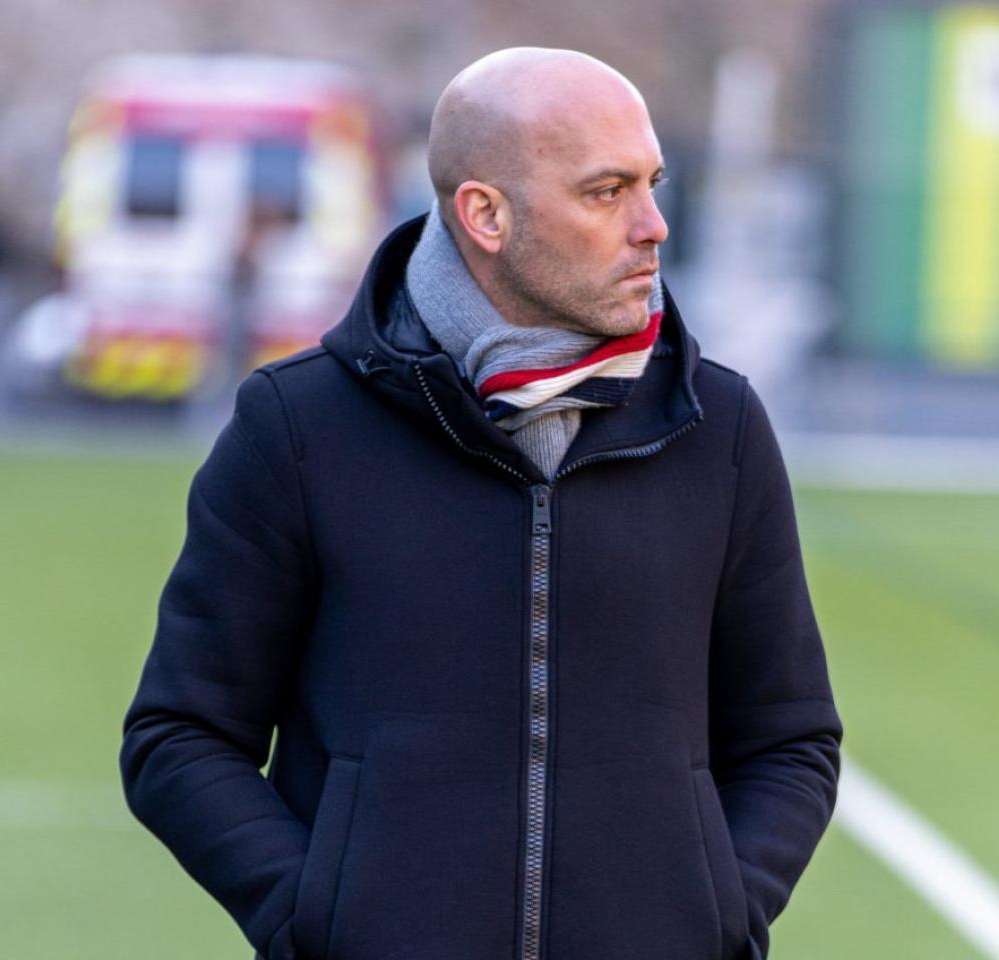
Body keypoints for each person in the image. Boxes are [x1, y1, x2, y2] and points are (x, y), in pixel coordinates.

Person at [120, 47, 842, 960]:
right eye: (606, 191)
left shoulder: (720, 428)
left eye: (653, 184)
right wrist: (322, 921)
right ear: (486, 215)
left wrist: (713, 919)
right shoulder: (299, 426)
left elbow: (792, 740)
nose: (654, 225)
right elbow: (178, 735)